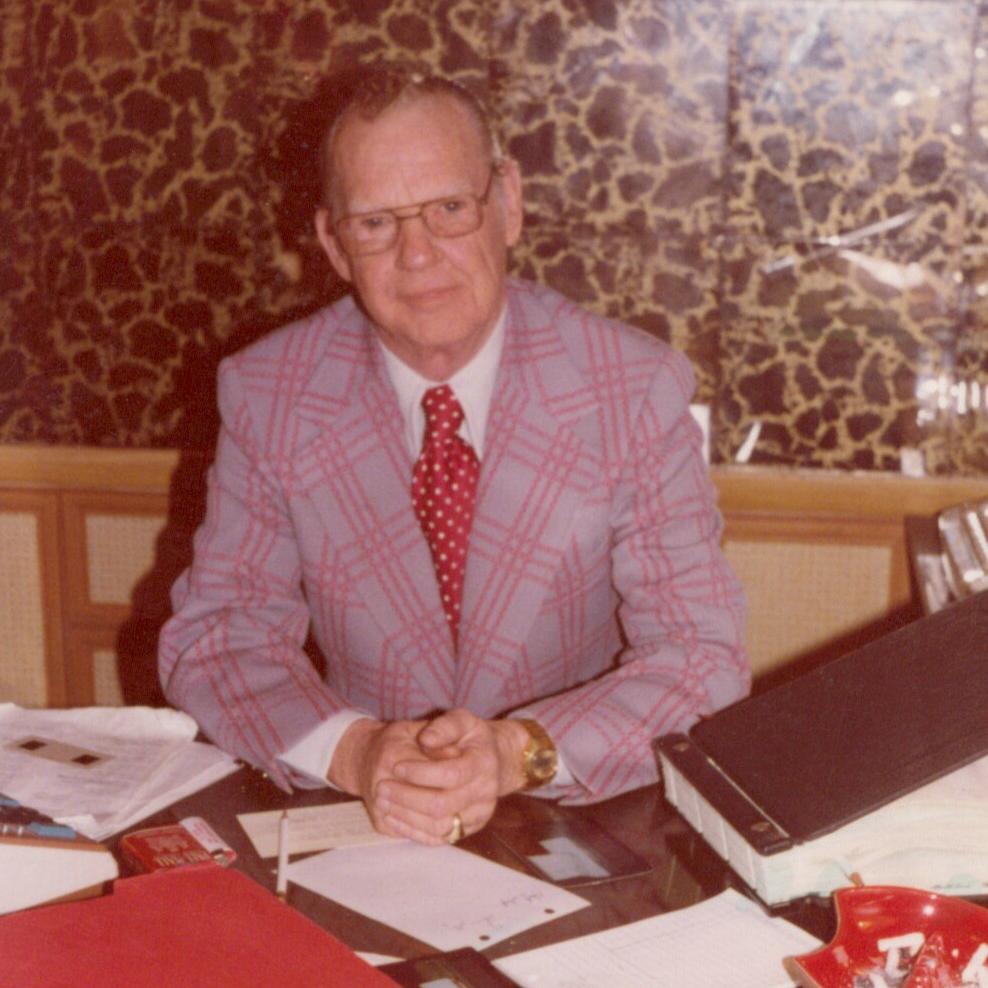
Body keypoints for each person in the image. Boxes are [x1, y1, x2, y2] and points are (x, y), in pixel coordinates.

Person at [158, 66, 749, 848]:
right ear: (334, 243)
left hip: (581, 824)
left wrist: (516, 752)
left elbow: (699, 654)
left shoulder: (633, 386)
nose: (418, 254)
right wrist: (358, 750)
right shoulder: (270, 393)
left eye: (448, 209)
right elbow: (221, 638)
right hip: (366, 823)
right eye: (376, 223)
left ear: (508, 203)